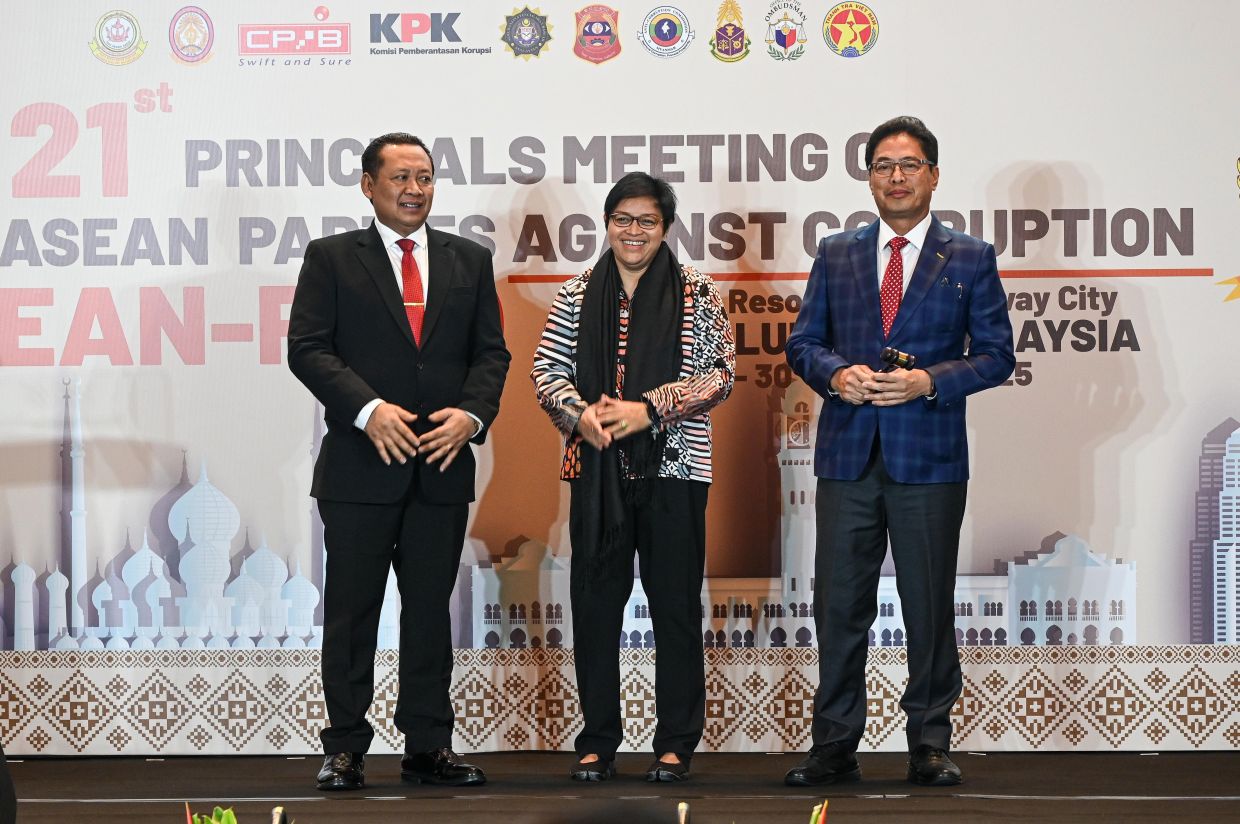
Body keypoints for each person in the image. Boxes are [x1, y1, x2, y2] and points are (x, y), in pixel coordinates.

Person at [784, 116, 1014, 788]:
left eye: (909, 164)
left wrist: (928, 381)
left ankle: (930, 744)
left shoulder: (969, 257)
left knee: (927, 605)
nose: (896, 177)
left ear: (933, 175)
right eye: (883, 165)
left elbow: (997, 356)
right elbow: (803, 343)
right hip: (848, 458)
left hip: (930, 459)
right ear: (869, 178)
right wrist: (836, 376)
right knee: (839, 607)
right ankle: (834, 745)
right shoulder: (837, 252)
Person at [288, 132, 510, 791]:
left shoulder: (469, 260)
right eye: (401, 177)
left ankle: (428, 746)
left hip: (440, 466)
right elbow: (308, 348)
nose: (415, 189)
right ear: (369, 185)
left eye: (426, 177)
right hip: (359, 467)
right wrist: (368, 409)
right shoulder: (332, 258)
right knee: (351, 615)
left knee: (429, 615)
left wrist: (471, 416)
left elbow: (491, 355)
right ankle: (345, 749)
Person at [531, 172, 735, 783]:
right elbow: (546, 371)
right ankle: (597, 740)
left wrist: (650, 409)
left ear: (665, 227)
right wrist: (580, 415)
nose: (634, 231)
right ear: (607, 224)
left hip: (676, 467)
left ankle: (675, 742)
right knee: (595, 608)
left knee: (675, 606)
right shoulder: (576, 293)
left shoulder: (697, 291)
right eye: (623, 219)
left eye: (647, 221)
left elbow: (720, 374)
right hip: (598, 473)